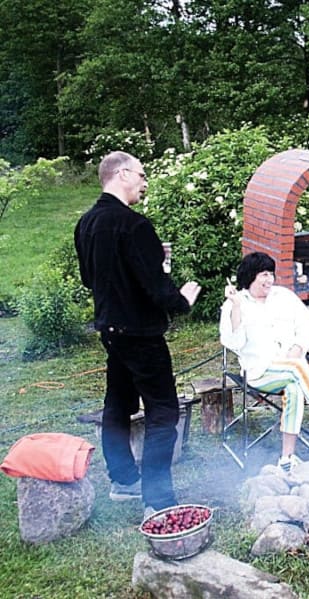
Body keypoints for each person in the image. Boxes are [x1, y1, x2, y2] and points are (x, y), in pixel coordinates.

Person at [74, 151, 202, 516]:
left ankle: (124, 480)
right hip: (141, 335)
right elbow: (156, 290)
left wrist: (152, 264)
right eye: (142, 175)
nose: (145, 183)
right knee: (163, 412)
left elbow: (90, 279)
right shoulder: (135, 225)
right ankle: (158, 501)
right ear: (123, 174)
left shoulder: (86, 223)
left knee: (118, 404)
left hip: (111, 331)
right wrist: (182, 300)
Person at [219, 252, 309, 471]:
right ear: (251, 276)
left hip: (292, 367)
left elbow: (306, 325)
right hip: (259, 372)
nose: (269, 280)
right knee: (298, 368)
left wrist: (298, 347)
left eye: (271, 274)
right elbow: (234, 342)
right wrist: (235, 307)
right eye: (264, 274)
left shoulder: (284, 296)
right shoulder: (235, 304)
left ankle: (286, 459)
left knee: (294, 388)